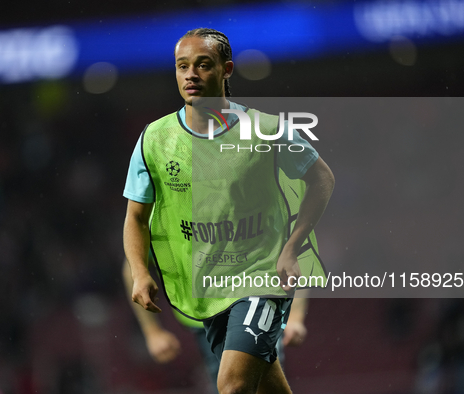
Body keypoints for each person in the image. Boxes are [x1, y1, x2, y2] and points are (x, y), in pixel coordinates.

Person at [123, 28, 334, 394]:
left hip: (261, 276)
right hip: (208, 288)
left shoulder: (267, 130)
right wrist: (141, 273)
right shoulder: (154, 140)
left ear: (226, 70)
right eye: (182, 66)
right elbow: (136, 218)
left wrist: (292, 246)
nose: (190, 74)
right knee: (266, 387)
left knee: (232, 386)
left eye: (203, 65)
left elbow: (322, 180)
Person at [122, 258, 309, 393]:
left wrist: (295, 316)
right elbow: (134, 268)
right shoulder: (162, 213)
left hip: (254, 302)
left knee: (235, 386)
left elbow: (295, 255)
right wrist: (152, 331)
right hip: (203, 320)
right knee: (238, 386)